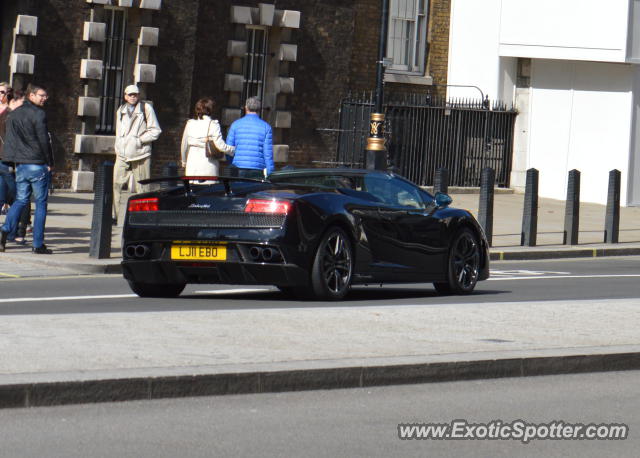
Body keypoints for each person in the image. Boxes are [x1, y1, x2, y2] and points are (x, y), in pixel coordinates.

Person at [0, 84, 53, 254]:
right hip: (37, 164)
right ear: (31, 95)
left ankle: (4, 230)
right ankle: (37, 244)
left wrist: (9, 161)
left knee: (21, 200)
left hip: (21, 165)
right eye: (41, 95)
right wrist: (50, 161)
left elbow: (10, 140)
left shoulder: (14, 114)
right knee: (41, 204)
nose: (44, 98)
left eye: (45, 96)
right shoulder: (39, 114)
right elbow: (44, 140)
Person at [112, 84, 161, 224]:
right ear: (125, 96)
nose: (133, 97)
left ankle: (144, 217)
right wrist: (118, 146)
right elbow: (118, 132)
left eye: (135, 94)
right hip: (122, 155)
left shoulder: (146, 109)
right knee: (115, 184)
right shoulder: (120, 110)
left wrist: (139, 141)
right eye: (130, 94)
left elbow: (155, 130)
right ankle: (113, 216)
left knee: (143, 188)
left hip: (141, 154)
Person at [180, 97, 234, 177]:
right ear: (210, 110)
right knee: (207, 189)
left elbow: (184, 146)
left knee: (192, 189)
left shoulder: (190, 124)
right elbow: (220, 146)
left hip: (192, 166)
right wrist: (233, 150)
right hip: (208, 166)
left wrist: (184, 162)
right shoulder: (213, 124)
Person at [227, 96, 274, 179]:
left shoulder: (235, 125)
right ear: (259, 109)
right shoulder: (266, 127)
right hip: (257, 168)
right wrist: (270, 172)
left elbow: (228, 149)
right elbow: (268, 154)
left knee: (237, 191)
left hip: (238, 167)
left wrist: (231, 164)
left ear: (246, 108)